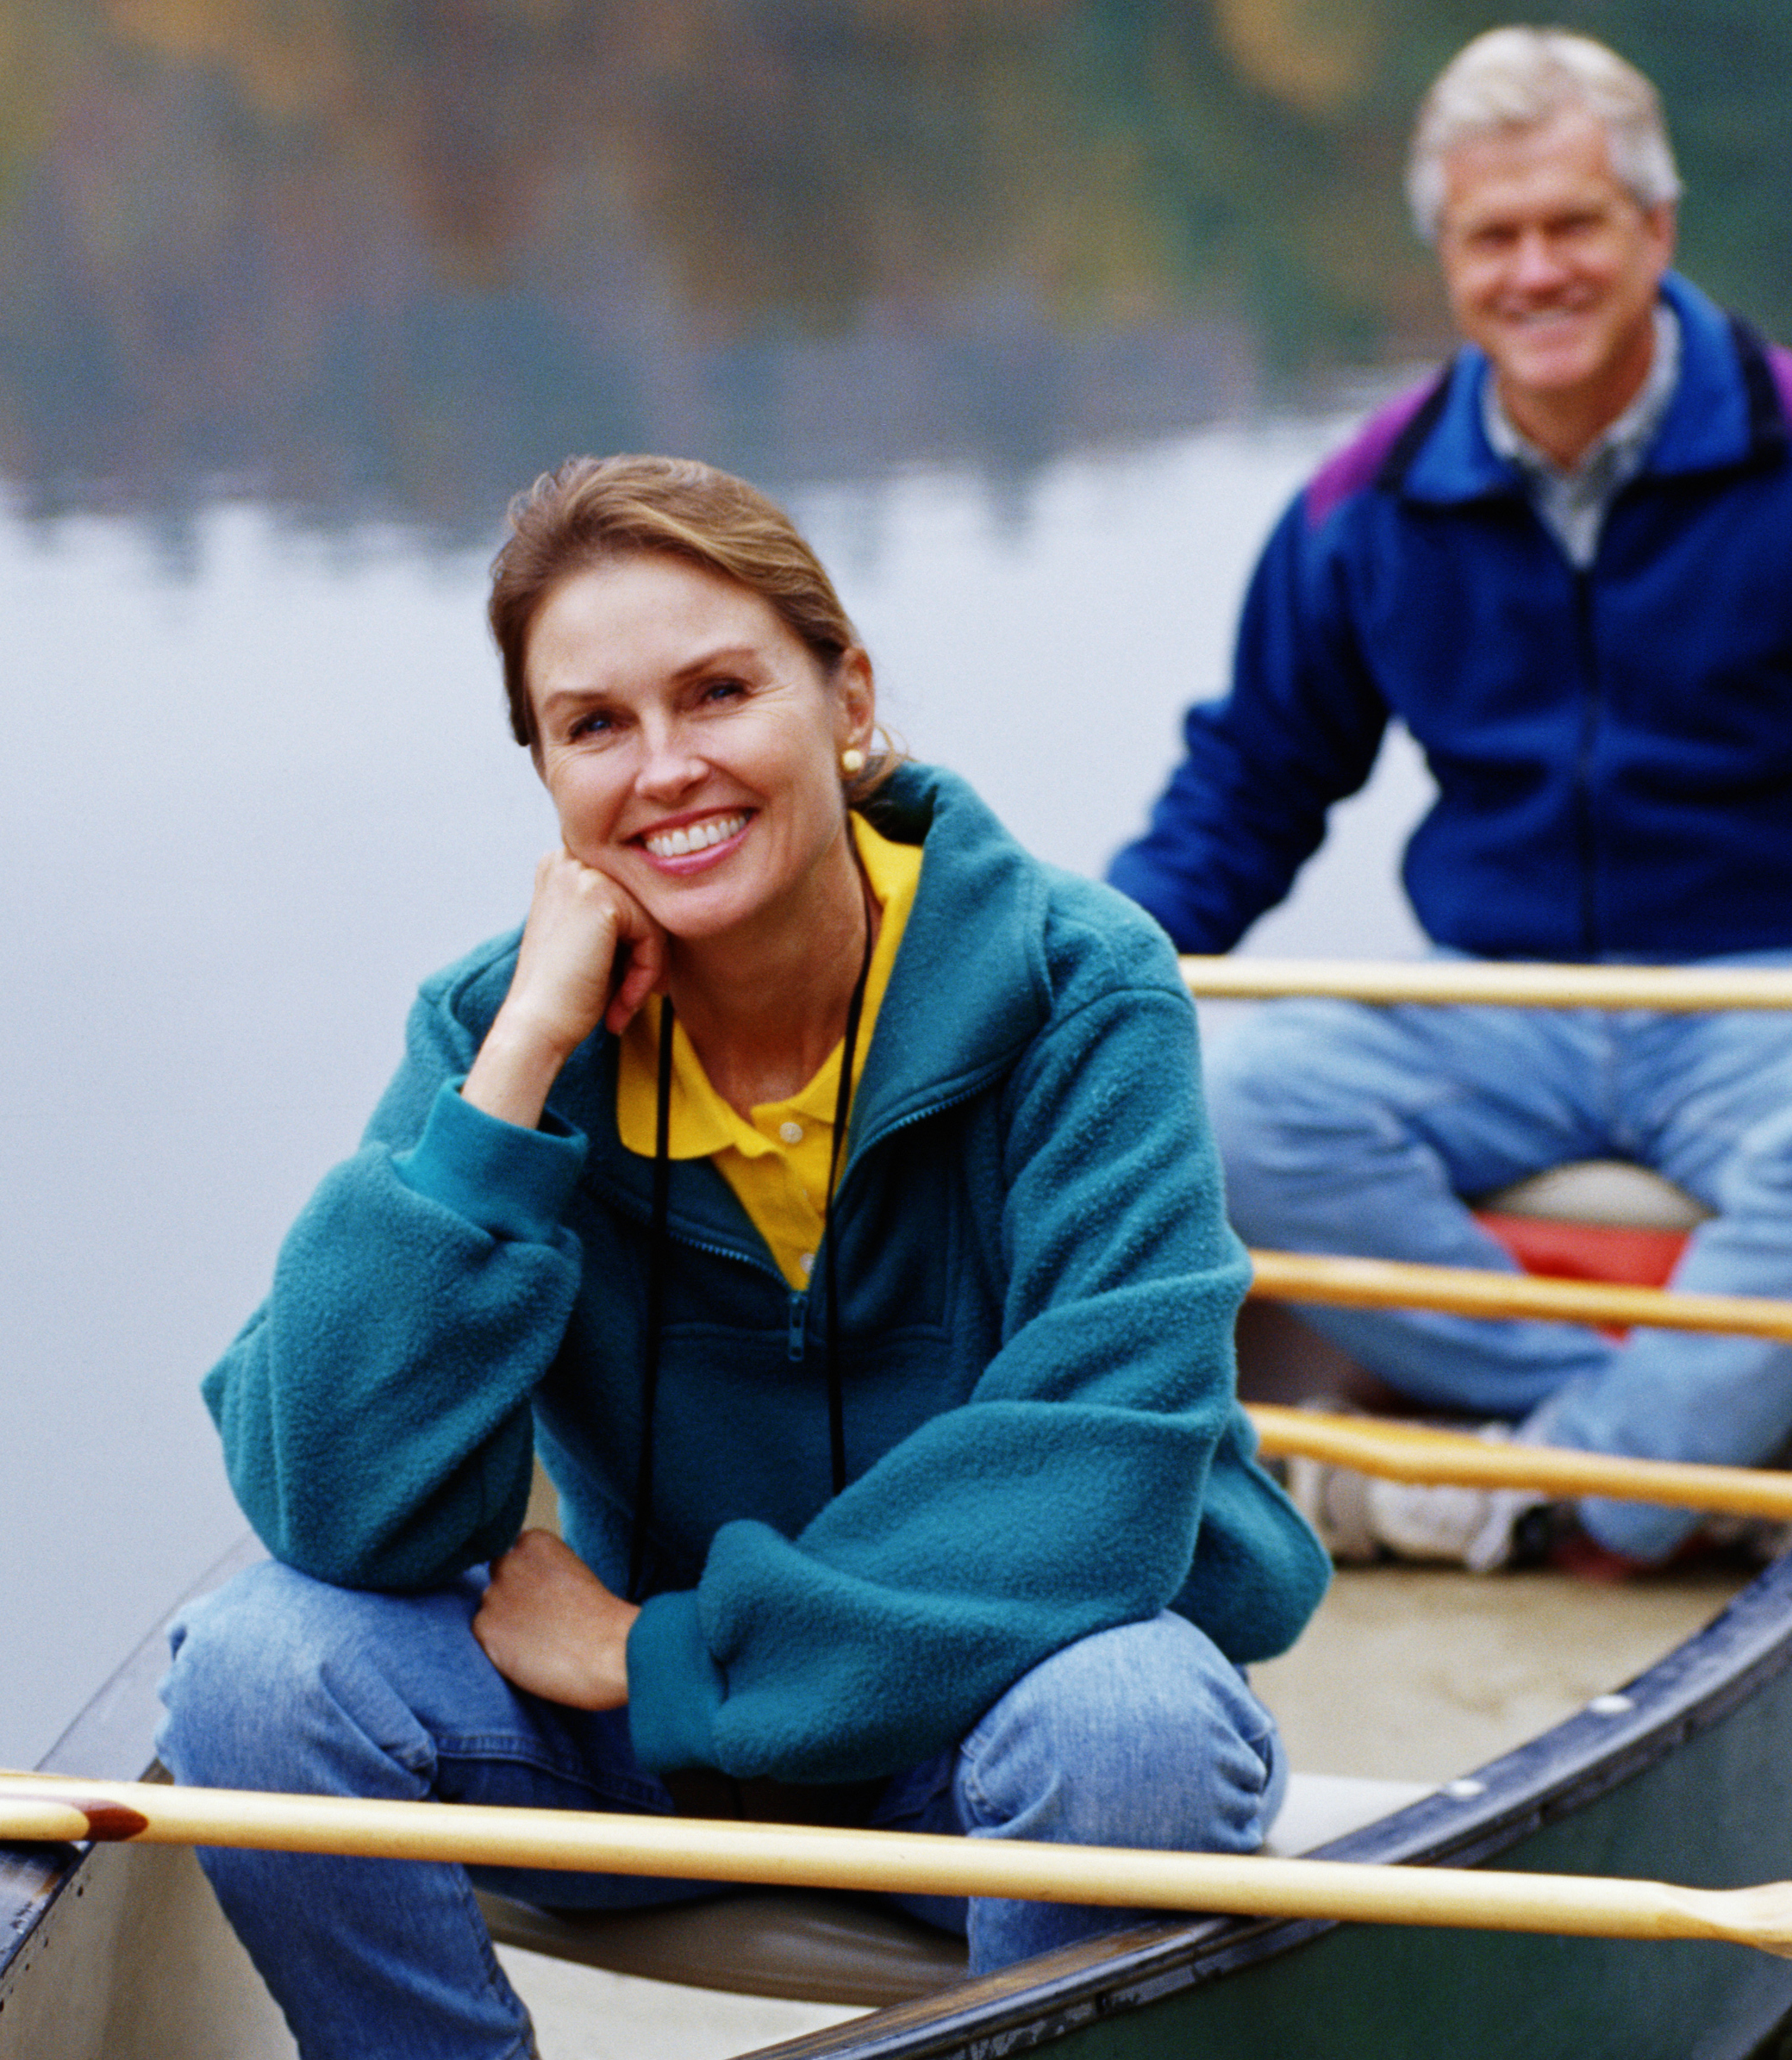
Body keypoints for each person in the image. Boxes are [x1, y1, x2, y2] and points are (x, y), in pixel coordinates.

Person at [158, 454, 1330, 2060]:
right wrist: (516, 1074)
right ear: (548, 774)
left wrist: (661, 1652)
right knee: (252, 1667)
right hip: (641, 1743)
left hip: (982, 1725)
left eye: (719, 692)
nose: (666, 770)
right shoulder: (499, 1026)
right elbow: (335, 1502)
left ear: (845, 697)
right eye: (595, 725)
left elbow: (1103, 1479)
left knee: (1131, 1717)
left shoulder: (1083, 989)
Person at [1106, 27, 1792, 1577]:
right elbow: (1248, 783)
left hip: (1783, 999)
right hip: (1495, 997)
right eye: (1492, 236)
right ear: (1446, 258)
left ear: (1657, 230)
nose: (1536, 271)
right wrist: (1098, 965)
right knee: (1232, 1112)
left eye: (1574, 224)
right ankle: (1671, 1445)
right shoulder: (1364, 509)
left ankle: (1562, 1487)